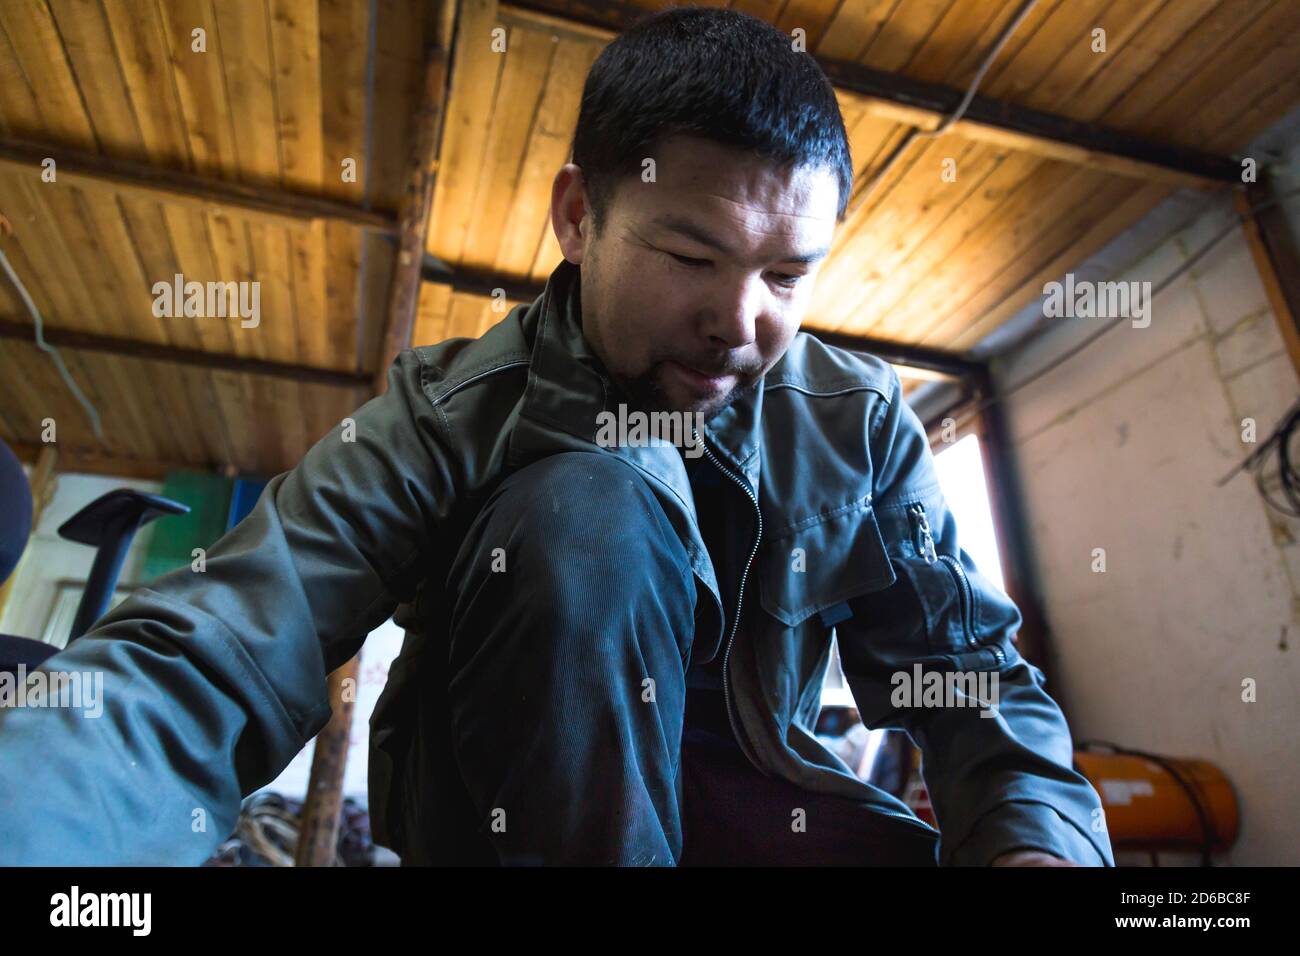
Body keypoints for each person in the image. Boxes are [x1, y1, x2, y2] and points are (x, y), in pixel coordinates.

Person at [0, 6, 1111, 867]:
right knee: (589, 509)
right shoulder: (446, 417)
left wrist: (1034, 838)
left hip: (770, 820)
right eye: (691, 256)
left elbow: (965, 681)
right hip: (511, 830)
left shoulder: (857, 423)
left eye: (786, 275)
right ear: (580, 215)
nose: (741, 321)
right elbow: (223, 646)